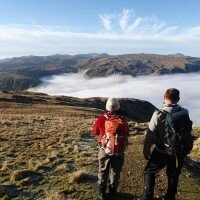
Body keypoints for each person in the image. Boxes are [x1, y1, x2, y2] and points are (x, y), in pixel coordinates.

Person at [135, 88, 193, 200]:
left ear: (164, 97)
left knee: (149, 171)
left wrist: (146, 150)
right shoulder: (185, 112)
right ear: (178, 99)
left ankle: (148, 196)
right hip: (178, 151)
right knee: (173, 174)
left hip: (162, 150)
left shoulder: (158, 114)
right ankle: (170, 196)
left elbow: (150, 135)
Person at [92, 98, 129, 200]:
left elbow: (94, 132)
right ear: (118, 107)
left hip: (105, 149)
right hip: (119, 150)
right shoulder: (123, 119)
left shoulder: (101, 118)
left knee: (103, 170)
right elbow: (127, 133)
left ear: (107, 107)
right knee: (116, 171)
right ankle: (113, 191)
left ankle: (102, 192)